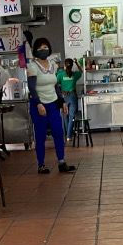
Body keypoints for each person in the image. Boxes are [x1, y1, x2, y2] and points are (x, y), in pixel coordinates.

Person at [27, 38, 75, 174]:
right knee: (40, 136)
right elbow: (32, 88)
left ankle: (61, 162)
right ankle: (41, 165)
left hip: (53, 104)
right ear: (36, 50)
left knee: (58, 133)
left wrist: (62, 102)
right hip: (39, 106)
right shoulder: (32, 66)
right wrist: (38, 104)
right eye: (40, 48)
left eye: (45, 47)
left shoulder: (53, 65)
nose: (43, 50)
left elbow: (55, 86)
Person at [57, 58, 83, 139]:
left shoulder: (61, 74)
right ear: (72, 66)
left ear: (65, 65)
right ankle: (69, 136)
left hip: (64, 96)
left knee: (65, 116)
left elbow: (57, 83)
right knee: (72, 116)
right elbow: (81, 71)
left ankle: (68, 135)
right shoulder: (75, 74)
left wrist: (59, 67)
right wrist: (77, 63)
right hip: (73, 95)